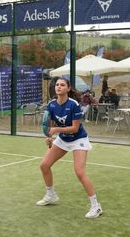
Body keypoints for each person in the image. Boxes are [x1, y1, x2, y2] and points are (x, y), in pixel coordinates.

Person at [37, 77, 103, 219]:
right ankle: (51, 195)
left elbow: (74, 128)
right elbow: (51, 123)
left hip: (78, 139)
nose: (58, 87)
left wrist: (55, 130)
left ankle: (96, 206)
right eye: (57, 85)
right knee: (44, 165)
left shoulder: (73, 105)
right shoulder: (52, 105)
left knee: (79, 172)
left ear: (68, 88)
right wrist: (50, 136)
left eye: (62, 85)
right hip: (62, 139)